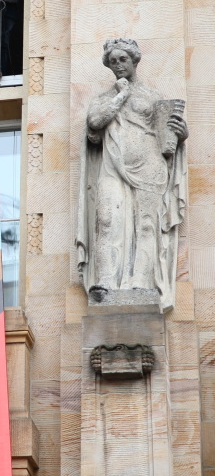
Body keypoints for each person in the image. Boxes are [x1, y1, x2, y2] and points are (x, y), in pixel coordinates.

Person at [76, 38, 187, 310]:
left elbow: (167, 132)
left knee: (147, 225)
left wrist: (180, 134)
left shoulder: (152, 96)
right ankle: (104, 282)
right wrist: (121, 94)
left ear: (134, 61)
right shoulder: (105, 98)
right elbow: (94, 122)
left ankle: (141, 284)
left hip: (150, 168)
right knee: (106, 220)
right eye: (113, 62)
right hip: (113, 167)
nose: (118, 65)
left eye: (122, 60)